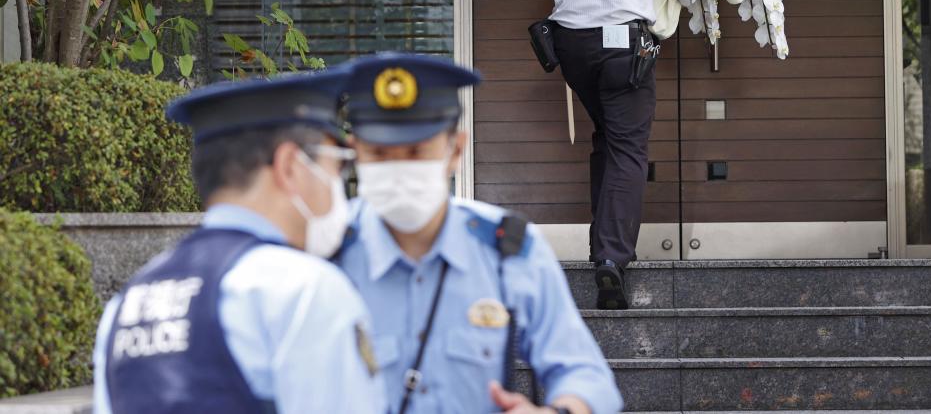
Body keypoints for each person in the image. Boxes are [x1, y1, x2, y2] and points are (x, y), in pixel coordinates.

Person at [335, 53, 622, 414]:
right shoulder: (325, 254)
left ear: (455, 150)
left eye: (416, 151)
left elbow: (585, 374)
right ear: (354, 153)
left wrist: (557, 410)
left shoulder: (508, 247)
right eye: (379, 154)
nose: (399, 169)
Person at [92, 68, 385, 414]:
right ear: (291, 166)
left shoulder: (128, 304)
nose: (339, 184)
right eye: (337, 166)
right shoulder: (304, 292)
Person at [523, 0, 699, 310]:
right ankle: (611, 260)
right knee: (627, 147)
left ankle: (605, 246)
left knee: (609, 139)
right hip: (626, 44)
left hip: (573, 47)